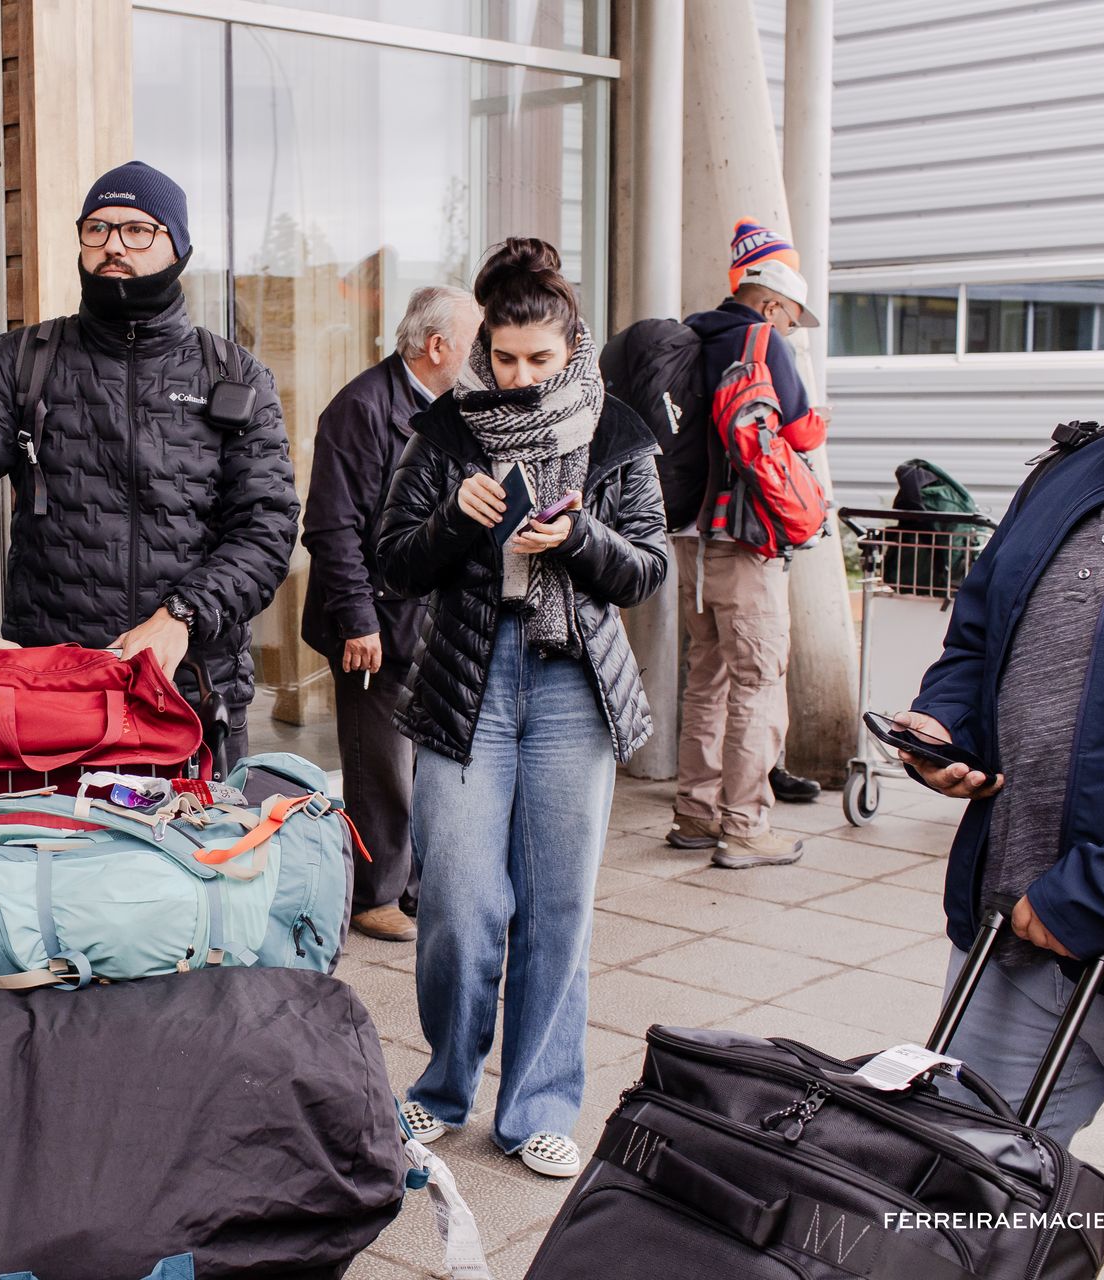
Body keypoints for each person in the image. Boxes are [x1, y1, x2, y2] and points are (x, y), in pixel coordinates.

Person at [900, 197, 1104, 1280]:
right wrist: (945, 721)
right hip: (1011, 930)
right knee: (953, 1199)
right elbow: (980, 626)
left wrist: (1090, 893)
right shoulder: (1074, 471)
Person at [377, 238, 668, 1178]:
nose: (519, 376)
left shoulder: (615, 429)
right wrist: (455, 520)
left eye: (539, 359)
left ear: (571, 345)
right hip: (468, 673)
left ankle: (536, 1104)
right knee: (459, 900)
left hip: (573, 679)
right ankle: (442, 1087)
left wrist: (581, 537)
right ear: (482, 347)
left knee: (556, 907)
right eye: (503, 357)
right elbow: (395, 560)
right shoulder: (447, 431)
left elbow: (647, 569)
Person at [0, 161, 299, 778]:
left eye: (138, 230)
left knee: (187, 874)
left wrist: (180, 618)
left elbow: (266, 530)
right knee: (55, 874)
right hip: (52, 705)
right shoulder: (22, 364)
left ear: (178, 247)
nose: (113, 244)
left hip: (192, 698)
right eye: (97, 228)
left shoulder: (235, 377)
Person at [301, 285, 482, 944]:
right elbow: (330, 527)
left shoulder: (451, 405)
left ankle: (414, 884)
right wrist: (356, 620)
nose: (481, 355)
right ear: (437, 347)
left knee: (427, 764)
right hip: (374, 621)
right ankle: (374, 894)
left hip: (430, 616)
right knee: (378, 765)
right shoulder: (361, 408)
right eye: (473, 343)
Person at [666, 218, 828, 868]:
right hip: (745, 539)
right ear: (769, 302)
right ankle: (745, 826)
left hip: (689, 540)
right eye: (790, 316)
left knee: (706, 676)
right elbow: (800, 433)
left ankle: (695, 815)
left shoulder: (691, 336)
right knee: (759, 679)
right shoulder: (763, 340)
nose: (790, 329)